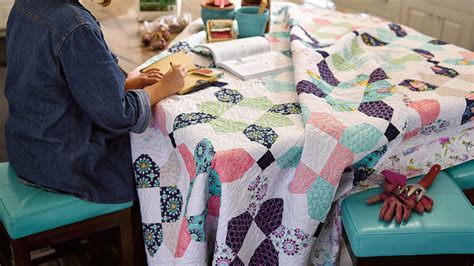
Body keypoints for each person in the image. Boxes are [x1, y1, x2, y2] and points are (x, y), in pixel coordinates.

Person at [4, 0, 186, 203]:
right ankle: (155, 229)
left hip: (27, 153)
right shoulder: (76, 27)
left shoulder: (26, 4)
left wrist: (121, 86)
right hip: (67, 167)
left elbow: (55, 81)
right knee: (171, 156)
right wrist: (163, 87)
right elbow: (120, 115)